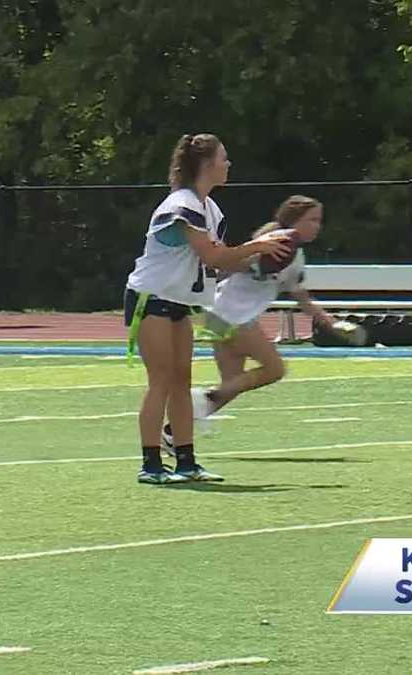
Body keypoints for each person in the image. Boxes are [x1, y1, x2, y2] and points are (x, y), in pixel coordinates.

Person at [124, 134, 291, 485]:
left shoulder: (209, 208)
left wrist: (256, 262)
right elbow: (212, 255)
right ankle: (151, 464)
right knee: (161, 380)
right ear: (206, 164)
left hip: (179, 300)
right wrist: (257, 245)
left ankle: (186, 461)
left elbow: (215, 262)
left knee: (181, 381)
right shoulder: (181, 204)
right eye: (223, 158)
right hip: (150, 297)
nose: (228, 164)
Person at [160, 195, 342, 450]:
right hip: (230, 314)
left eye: (319, 220)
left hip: (219, 315)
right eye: (312, 219)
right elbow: (231, 264)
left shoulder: (295, 255)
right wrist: (252, 263)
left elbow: (301, 297)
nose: (317, 225)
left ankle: (172, 434)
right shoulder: (271, 241)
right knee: (275, 369)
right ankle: (202, 396)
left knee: (231, 386)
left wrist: (331, 323)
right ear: (293, 221)